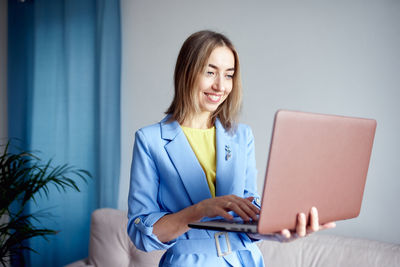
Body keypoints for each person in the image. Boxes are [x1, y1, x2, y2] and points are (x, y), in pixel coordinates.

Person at [127, 30, 335, 267]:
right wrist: (200, 210)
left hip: (245, 260)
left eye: (229, 75)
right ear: (186, 72)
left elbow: (249, 213)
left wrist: (279, 228)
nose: (220, 86)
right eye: (210, 72)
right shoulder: (150, 140)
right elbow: (140, 232)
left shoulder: (241, 136)